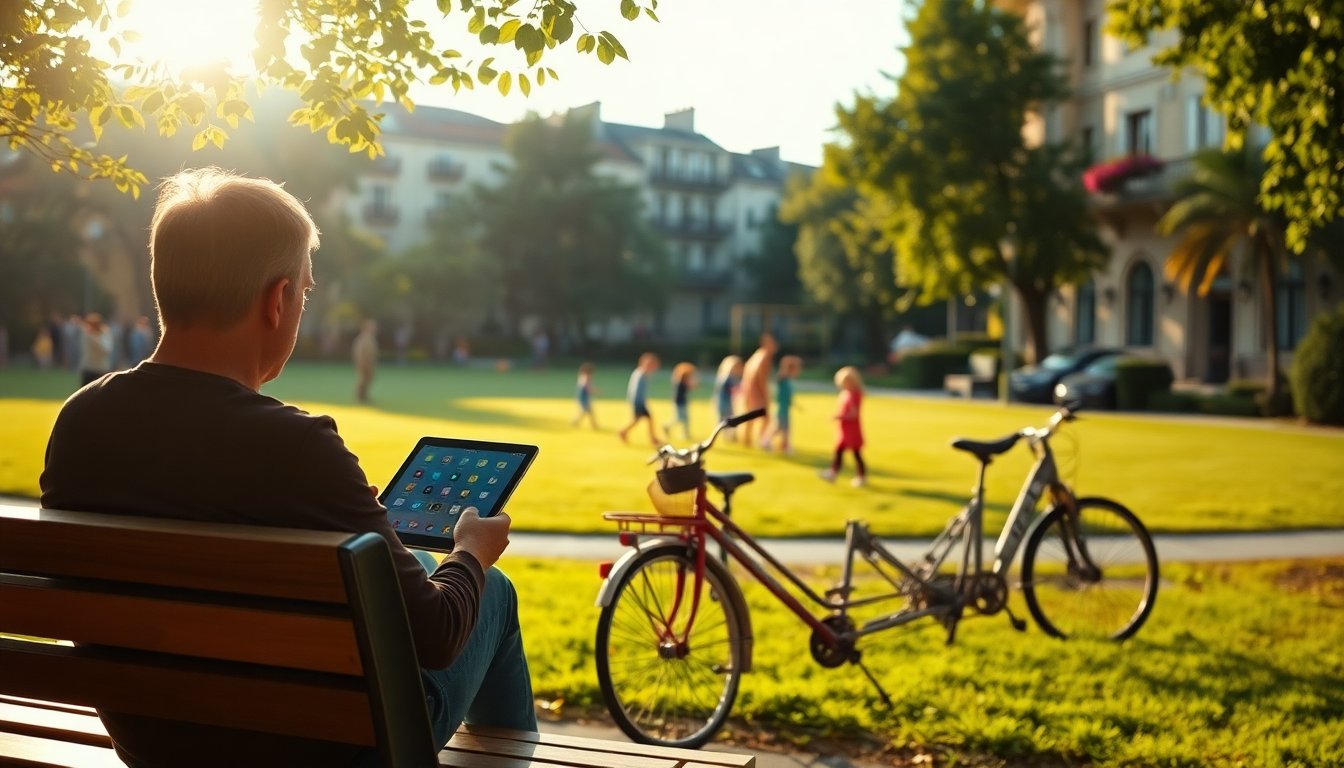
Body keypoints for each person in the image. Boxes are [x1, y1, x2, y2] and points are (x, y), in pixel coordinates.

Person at [39, 168, 535, 767]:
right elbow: (436, 634)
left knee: (423, 562)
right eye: (304, 290)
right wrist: (474, 550)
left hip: (155, 741)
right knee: (492, 591)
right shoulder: (298, 446)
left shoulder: (81, 423)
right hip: (328, 745)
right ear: (277, 300)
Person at [820, 365, 867, 487]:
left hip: (852, 429)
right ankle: (833, 472)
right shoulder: (846, 394)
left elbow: (854, 414)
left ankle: (861, 476)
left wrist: (839, 417)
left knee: (856, 453)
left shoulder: (854, 395)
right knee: (839, 451)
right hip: (844, 429)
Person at [737, 332, 777, 447]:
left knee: (751, 416)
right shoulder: (764, 357)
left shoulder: (757, 355)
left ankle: (747, 440)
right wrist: (766, 395)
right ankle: (762, 440)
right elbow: (761, 378)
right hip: (756, 391)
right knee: (765, 416)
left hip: (748, 390)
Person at [759, 355, 802, 454]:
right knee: (780, 428)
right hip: (781, 411)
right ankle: (766, 442)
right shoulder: (783, 379)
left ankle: (783, 445)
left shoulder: (787, 381)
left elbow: (788, 397)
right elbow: (781, 376)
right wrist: (787, 364)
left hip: (785, 410)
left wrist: (795, 405)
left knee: (783, 429)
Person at [617, 352, 660, 446]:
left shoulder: (641, 373)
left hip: (639, 401)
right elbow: (635, 390)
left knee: (642, 419)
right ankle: (652, 439)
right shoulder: (641, 374)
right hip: (638, 401)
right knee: (643, 419)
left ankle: (623, 432)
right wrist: (638, 402)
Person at [78, 312, 114, 386]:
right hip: (90, 369)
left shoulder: (101, 336)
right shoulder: (89, 335)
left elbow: (106, 350)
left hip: (99, 370)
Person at [664, 362, 697, 440]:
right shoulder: (681, 382)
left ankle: (686, 434)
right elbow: (691, 387)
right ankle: (666, 426)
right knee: (679, 419)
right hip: (679, 403)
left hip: (682, 402)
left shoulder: (681, 381)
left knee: (686, 419)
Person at [712, 355, 743, 439]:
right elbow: (733, 390)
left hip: (724, 403)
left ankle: (728, 435)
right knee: (727, 420)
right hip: (725, 404)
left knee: (724, 420)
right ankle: (729, 436)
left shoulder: (723, 377)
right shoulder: (728, 378)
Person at [352, 318, 379, 403]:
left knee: (369, 379)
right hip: (364, 362)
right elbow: (359, 351)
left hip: (370, 363)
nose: (374, 328)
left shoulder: (370, 338)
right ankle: (359, 397)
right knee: (363, 379)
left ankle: (365, 396)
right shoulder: (363, 338)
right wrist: (361, 362)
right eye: (372, 326)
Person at [572, 361, 599, 429]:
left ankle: (593, 424)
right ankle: (576, 422)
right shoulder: (586, 379)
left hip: (583, 398)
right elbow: (587, 389)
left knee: (588, 411)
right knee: (585, 411)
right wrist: (595, 391)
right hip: (583, 398)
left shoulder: (582, 377)